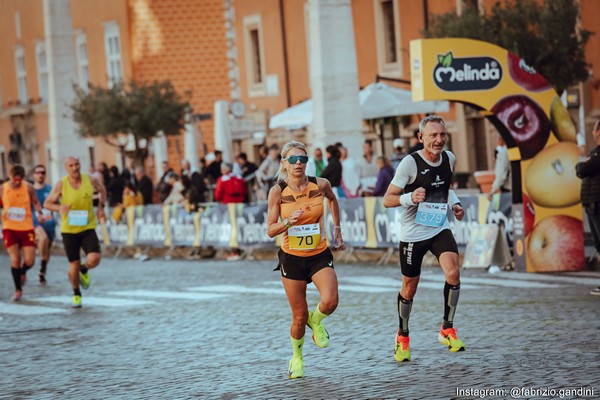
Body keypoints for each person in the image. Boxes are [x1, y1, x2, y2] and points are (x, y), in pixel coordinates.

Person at [383, 115, 466, 362]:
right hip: (413, 233)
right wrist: (410, 197)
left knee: (453, 273)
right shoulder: (409, 164)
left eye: (442, 135)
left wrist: (456, 204)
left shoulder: (450, 158)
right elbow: (387, 199)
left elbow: (446, 188)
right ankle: (402, 336)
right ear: (421, 138)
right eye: (433, 135)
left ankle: (447, 328)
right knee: (410, 288)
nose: (439, 140)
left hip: (438, 227)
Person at [266, 141, 344, 379]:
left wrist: (337, 228)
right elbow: (270, 230)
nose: (298, 163)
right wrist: (289, 221)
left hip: (319, 254)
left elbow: (333, 199)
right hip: (292, 258)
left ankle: (316, 320)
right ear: (284, 163)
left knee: (330, 301)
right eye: (292, 159)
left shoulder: (320, 184)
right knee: (298, 317)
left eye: (302, 159)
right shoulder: (277, 191)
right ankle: (297, 358)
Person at [44, 156, 107, 308]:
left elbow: (102, 190)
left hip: (87, 227)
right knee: (74, 264)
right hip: (69, 231)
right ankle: (76, 293)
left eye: (77, 164)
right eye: (71, 165)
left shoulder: (90, 180)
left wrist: (100, 208)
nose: (75, 168)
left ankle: (84, 270)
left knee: (94, 258)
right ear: (67, 168)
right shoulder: (61, 184)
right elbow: (47, 203)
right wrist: (60, 207)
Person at [1, 165, 44, 301]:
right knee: (15, 259)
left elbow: (36, 202)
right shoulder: (3, 188)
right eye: (14, 180)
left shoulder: (28, 187)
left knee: (30, 261)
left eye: (19, 180)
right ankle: (18, 290)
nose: (17, 183)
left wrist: (40, 213)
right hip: (10, 228)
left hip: (26, 227)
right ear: (10, 177)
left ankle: (23, 271)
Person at [575, 120, 600, 295]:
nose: (592, 132)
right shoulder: (595, 152)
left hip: (597, 203)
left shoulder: (598, 154)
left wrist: (581, 165)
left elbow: (583, 169)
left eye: (594, 128)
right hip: (591, 204)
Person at [32, 164, 57, 286]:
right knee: (43, 238)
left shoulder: (50, 189)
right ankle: (41, 262)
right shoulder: (30, 190)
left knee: (48, 249)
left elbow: (56, 203)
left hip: (50, 222)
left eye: (43, 172)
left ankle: (43, 271)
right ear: (34, 175)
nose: (40, 175)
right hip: (36, 221)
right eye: (38, 172)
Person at [487, 134, 511, 201]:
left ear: (501, 140)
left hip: (508, 189)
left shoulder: (503, 153)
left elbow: (501, 175)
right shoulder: (508, 151)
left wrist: (492, 191)